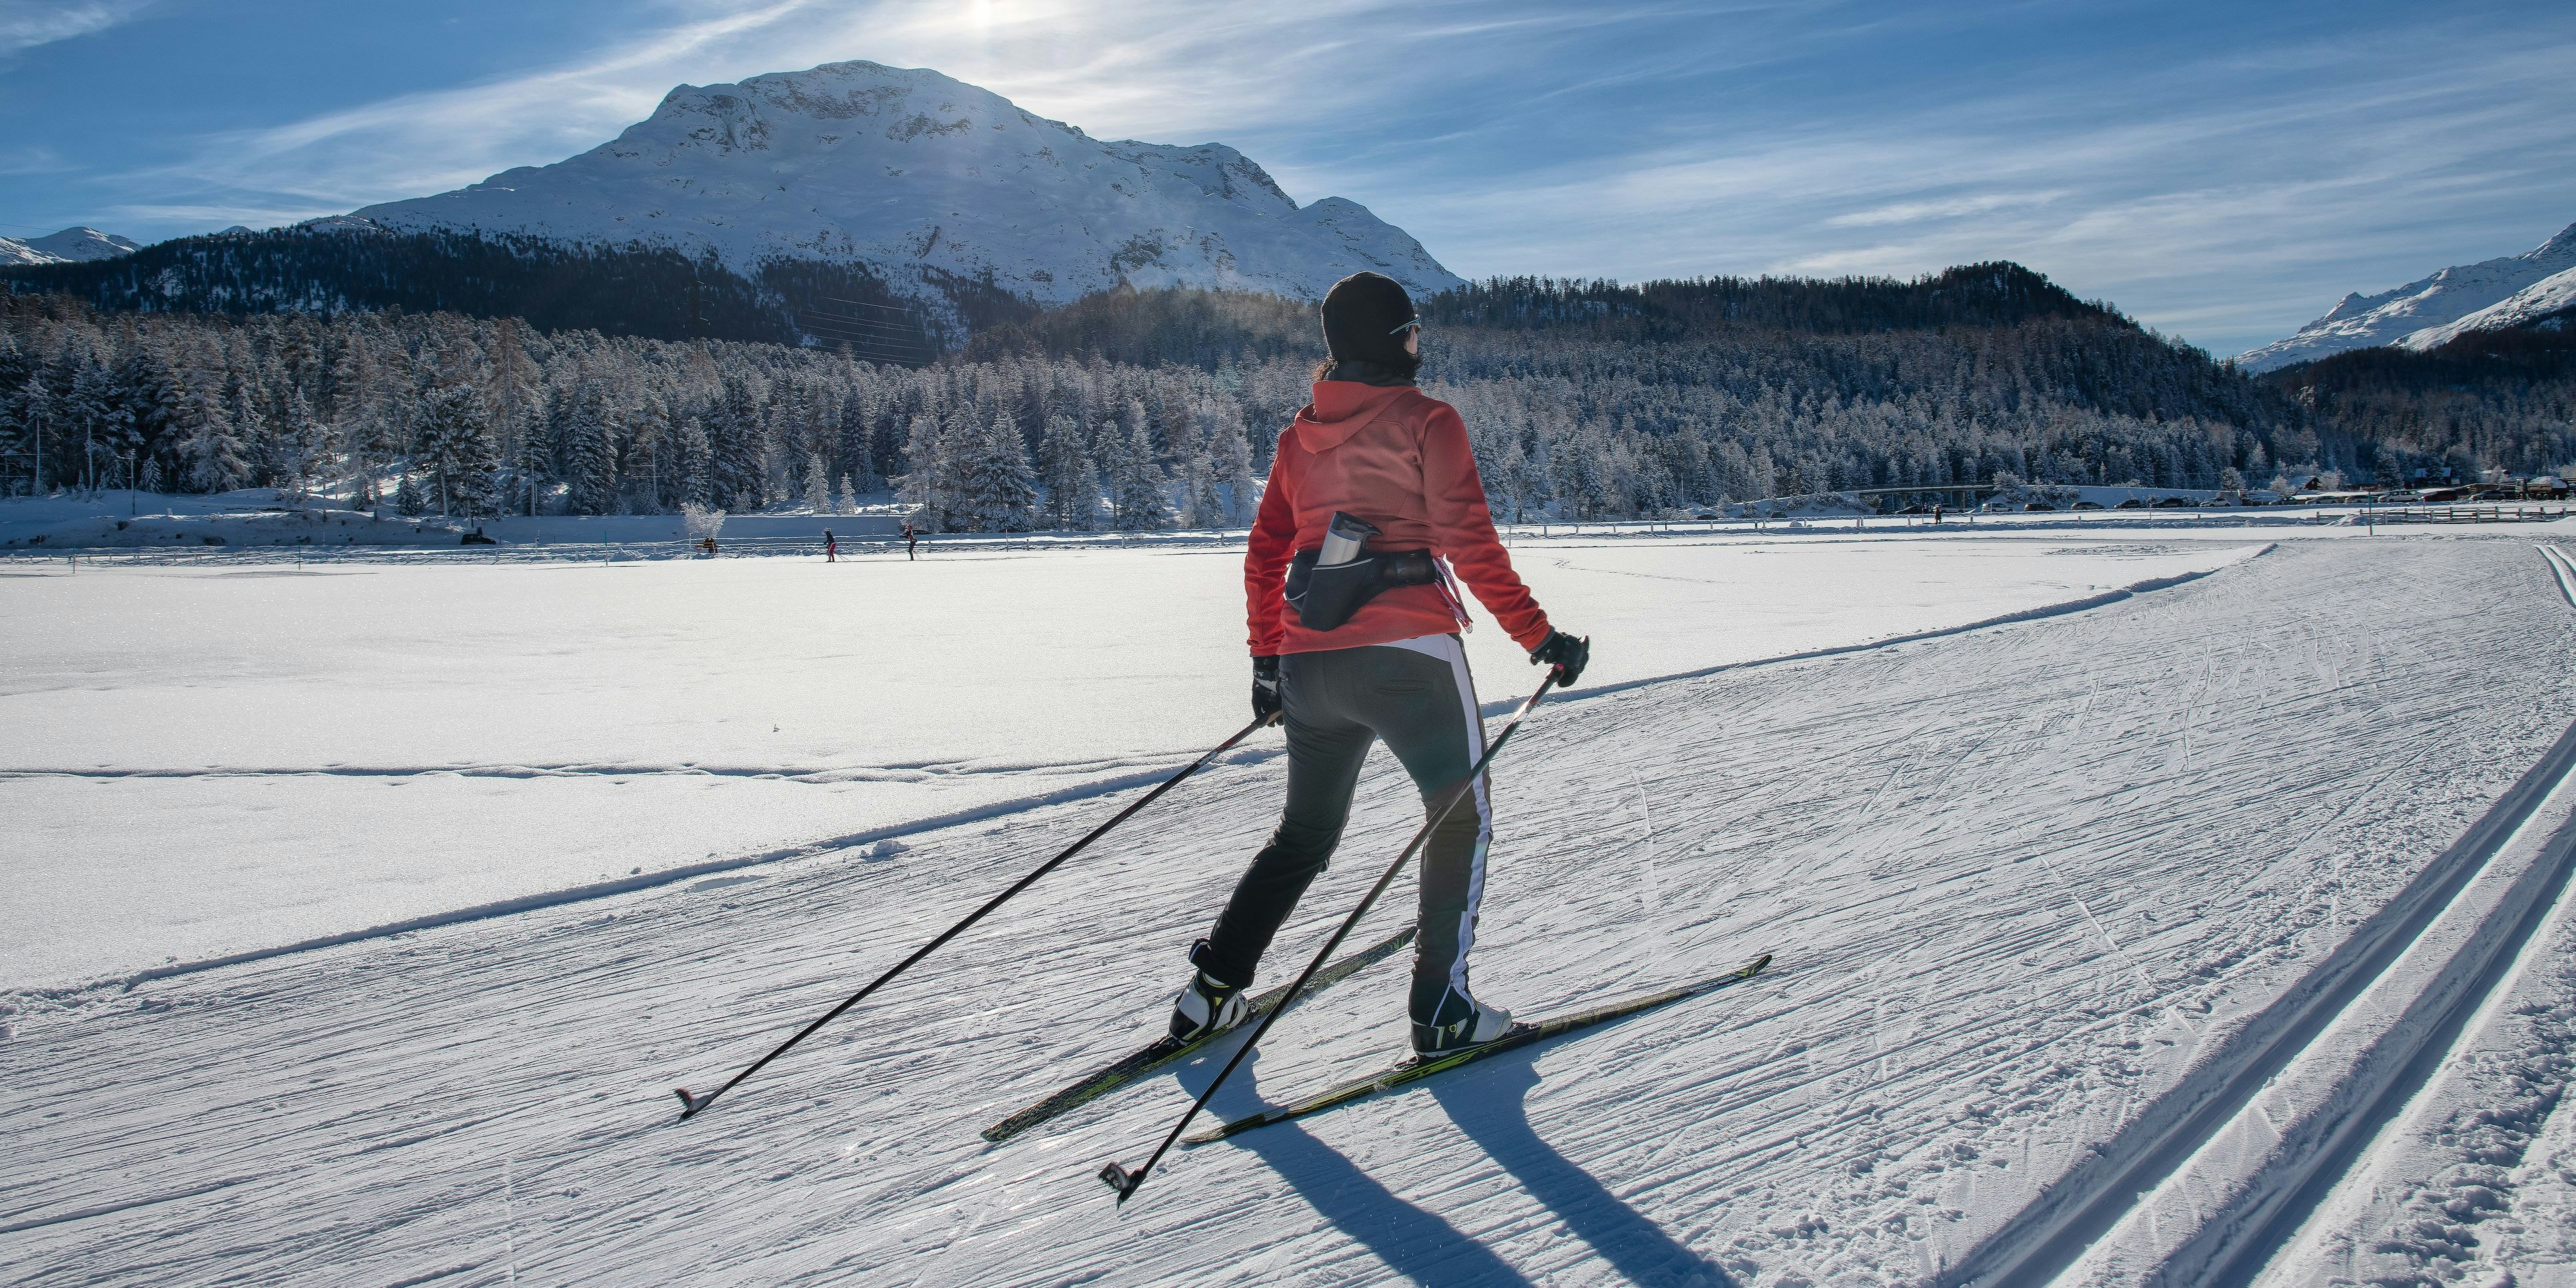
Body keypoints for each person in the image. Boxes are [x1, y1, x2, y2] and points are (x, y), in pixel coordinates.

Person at [1169, 272, 1591, 1057]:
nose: (1419, 339)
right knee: (1459, 814)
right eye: (1413, 327)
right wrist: (1540, 637)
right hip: (1409, 658)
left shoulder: (1298, 438)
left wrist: (1267, 662)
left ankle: (1211, 994)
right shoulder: (1429, 421)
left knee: (1305, 831)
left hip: (1308, 664)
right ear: (1392, 337)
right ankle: (1442, 1012)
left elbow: (1265, 554)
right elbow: (1469, 544)